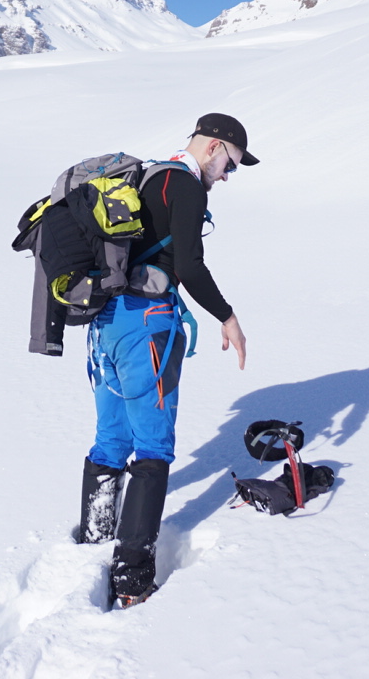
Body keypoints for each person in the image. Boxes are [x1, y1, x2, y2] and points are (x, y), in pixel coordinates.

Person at [77, 112, 256, 608]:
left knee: (111, 438)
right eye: (231, 165)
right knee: (153, 447)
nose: (227, 177)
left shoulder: (147, 176)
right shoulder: (187, 187)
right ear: (214, 147)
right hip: (148, 326)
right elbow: (191, 266)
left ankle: (95, 539)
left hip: (105, 323)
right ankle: (131, 579)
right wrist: (228, 317)